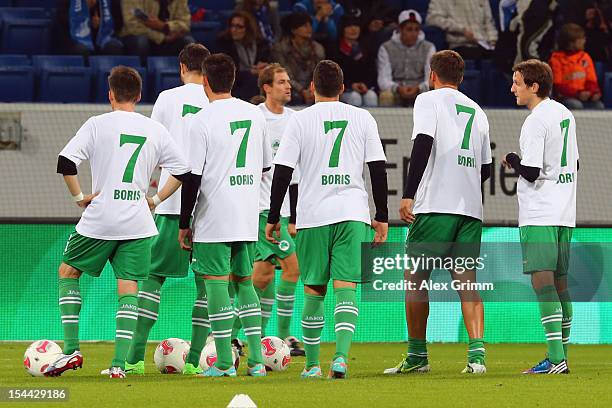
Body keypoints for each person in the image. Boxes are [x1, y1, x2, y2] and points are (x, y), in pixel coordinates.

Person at [46, 66, 190, 379]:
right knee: (129, 288)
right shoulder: (154, 129)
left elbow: (65, 162)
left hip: (100, 218)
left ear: (110, 94)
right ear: (139, 96)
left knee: (68, 272)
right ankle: (118, 365)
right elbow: (182, 171)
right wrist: (155, 200)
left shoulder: (97, 124)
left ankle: (71, 350)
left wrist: (79, 197)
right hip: (138, 221)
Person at [265, 60, 389, 379]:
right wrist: (382, 216)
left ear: (312, 88)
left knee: (314, 289)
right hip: (353, 212)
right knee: (346, 286)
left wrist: (275, 215)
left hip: (312, 215)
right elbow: (377, 168)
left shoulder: (299, 120)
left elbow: (283, 171)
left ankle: (312, 365)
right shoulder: (362, 117)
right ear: (343, 88)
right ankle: (342, 358)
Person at [385, 50, 492, 375]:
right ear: (460, 77)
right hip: (470, 209)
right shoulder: (478, 111)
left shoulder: (428, 100)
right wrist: (465, 189)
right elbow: (485, 168)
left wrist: (408, 194)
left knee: (415, 278)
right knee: (467, 281)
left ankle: (417, 356)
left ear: (433, 75)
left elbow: (422, 144)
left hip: (435, 207)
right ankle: (476, 358)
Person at [120, 44, 211, 376]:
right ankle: (195, 362)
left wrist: (149, 195)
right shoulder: (218, 100)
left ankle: (133, 359)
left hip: (172, 204)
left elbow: (151, 147)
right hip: (212, 209)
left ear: (182, 66)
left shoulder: (167, 99)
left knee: (153, 279)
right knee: (208, 284)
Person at [178, 53, 271, 377]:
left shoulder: (202, 120)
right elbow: (264, 166)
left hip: (214, 216)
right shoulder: (255, 114)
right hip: (246, 214)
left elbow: (192, 177)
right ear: (232, 79)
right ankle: (257, 362)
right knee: (245, 283)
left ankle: (223, 362)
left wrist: (183, 222)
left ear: (205, 81)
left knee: (216, 285)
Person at [502, 59, 578, 374]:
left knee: (542, 282)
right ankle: (561, 355)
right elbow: (576, 164)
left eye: (517, 82)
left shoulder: (535, 120)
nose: (512, 88)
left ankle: (555, 358)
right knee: (560, 283)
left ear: (534, 86)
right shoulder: (565, 114)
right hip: (565, 212)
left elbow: (531, 172)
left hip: (540, 212)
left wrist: (512, 159)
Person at [251, 63, 305, 356]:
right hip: (261, 208)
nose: (288, 86)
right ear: (267, 88)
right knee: (292, 268)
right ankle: (284, 338)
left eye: (289, 81)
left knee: (262, 277)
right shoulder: (255, 118)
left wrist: (294, 217)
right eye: (281, 82)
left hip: (282, 212)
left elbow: (295, 176)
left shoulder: (296, 120)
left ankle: (242, 336)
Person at [377, 10, 435, 107]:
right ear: (400, 29)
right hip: (396, 90)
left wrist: (419, 88)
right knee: (386, 96)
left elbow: (430, 78)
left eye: (416, 29)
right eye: (409, 29)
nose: (413, 33)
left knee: (431, 96)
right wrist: (398, 88)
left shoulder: (429, 47)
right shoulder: (386, 48)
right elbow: (383, 79)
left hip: (420, 91)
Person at [217, 11, 271, 102]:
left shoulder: (261, 44)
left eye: (239, 27)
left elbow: (267, 62)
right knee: (253, 80)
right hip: (233, 84)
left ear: (248, 29)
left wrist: (264, 67)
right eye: (232, 26)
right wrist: (250, 72)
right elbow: (225, 74)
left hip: (256, 80)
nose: (234, 29)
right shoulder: (223, 44)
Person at [272, 12, 325, 105]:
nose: (309, 29)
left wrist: (311, 89)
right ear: (293, 30)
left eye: (310, 25)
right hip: (290, 87)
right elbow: (284, 74)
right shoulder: (280, 49)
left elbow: (319, 73)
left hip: (312, 88)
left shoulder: (318, 48)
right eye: (304, 26)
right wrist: (302, 91)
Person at [549, 23, 604, 110]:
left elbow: (591, 81)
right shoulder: (556, 59)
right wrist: (577, 94)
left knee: (599, 105)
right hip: (564, 98)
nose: (584, 41)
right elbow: (558, 87)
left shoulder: (585, 57)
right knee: (575, 105)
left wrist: (594, 93)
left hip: (583, 97)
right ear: (571, 43)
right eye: (581, 39)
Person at [119, 0, 194, 61]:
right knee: (141, 43)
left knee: (189, 43)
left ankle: (185, 77)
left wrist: (164, 26)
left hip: (169, 38)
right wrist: (162, 38)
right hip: (139, 36)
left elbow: (185, 24)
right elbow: (132, 25)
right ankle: (139, 76)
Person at [426, 0, 497, 60]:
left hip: (485, 44)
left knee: (503, 54)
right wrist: (461, 30)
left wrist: (493, 39)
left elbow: (489, 22)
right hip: (460, 44)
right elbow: (432, 19)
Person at [333, 15, 378, 107]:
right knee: (354, 97)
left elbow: (372, 72)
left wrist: (365, 85)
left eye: (356, 26)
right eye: (349, 26)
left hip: (365, 88)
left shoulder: (366, 48)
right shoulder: (335, 49)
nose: (353, 29)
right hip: (344, 90)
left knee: (371, 96)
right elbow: (334, 75)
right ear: (343, 29)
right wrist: (350, 85)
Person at [54, 0, 123, 56]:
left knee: (114, 47)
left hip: (105, 40)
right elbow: (61, 21)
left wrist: (101, 23)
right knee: (81, 50)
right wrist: (87, 11)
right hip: (75, 40)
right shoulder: (67, 1)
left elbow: (118, 22)